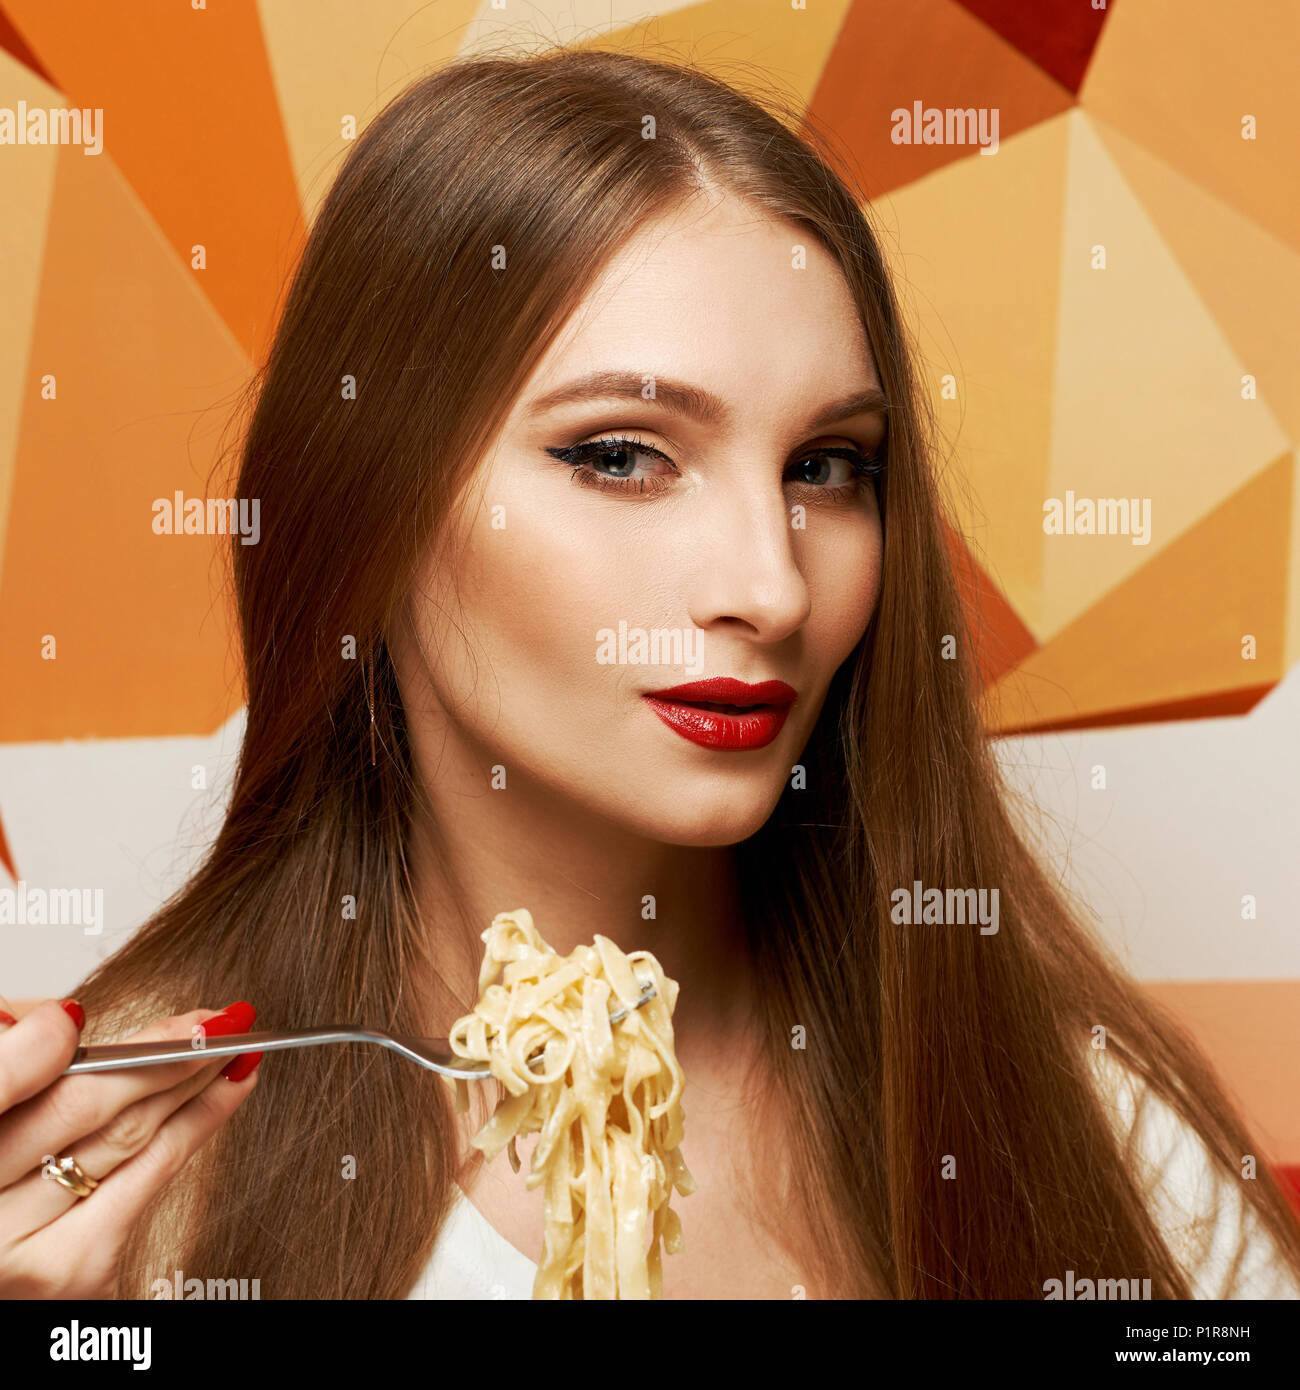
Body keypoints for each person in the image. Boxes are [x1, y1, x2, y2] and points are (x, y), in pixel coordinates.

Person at [2, 45, 1298, 1300]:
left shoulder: (1096, 1138)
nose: (771, 586)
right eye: (621, 454)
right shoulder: (123, 1190)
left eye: (826, 466)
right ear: (371, 503)